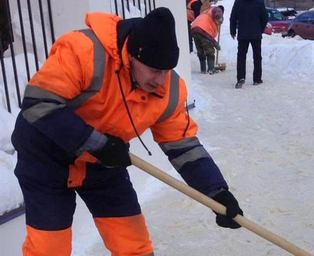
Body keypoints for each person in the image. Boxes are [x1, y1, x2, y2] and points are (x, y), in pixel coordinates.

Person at [11, 7, 243, 256]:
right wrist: (96, 144)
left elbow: (183, 145)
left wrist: (216, 192)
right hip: (47, 159)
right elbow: (39, 102)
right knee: (49, 249)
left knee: (134, 245)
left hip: (104, 163)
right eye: (154, 70)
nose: (161, 80)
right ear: (132, 55)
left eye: (166, 70)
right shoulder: (84, 50)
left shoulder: (169, 90)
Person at [230, 0, 268, 89]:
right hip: (256, 34)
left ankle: (240, 77)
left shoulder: (238, 2)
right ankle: (257, 79)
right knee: (257, 57)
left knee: (241, 57)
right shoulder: (259, 2)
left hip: (243, 34)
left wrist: (232, 31)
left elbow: (233, 17)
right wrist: (260, 30)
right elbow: (265, 18)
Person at [191, 6, 224, 74]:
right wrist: (220, 18)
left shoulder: (207, 12)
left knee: (200, 50)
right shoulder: (217, 9)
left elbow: (209, 36)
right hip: (202, 29)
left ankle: (203, 69)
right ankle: (211, 69)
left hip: (194, 28)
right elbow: (218, 13)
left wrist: (214, 42)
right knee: (209, 50)